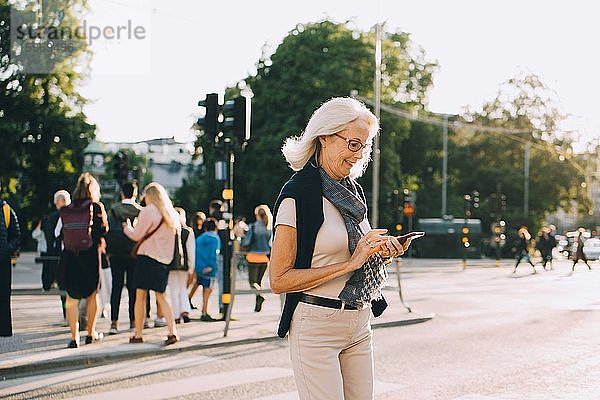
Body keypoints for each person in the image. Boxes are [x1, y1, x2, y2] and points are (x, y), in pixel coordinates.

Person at [269, 97, 411, 400]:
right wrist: (350, 264)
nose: (360, 155)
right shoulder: (297, 196)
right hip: (316, 325)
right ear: (324, 137)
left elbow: (354, 249)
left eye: (365, 147)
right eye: (353, 144)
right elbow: (279, 280)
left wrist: (378, 250)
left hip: (359, 321)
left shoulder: (352, 193)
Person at [124, 182, 179, 345]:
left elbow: (136, 235)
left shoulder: (148, 211)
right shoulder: (171, 214)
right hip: (163, 261)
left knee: (140, 296)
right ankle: (172, 331)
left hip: (147, 258)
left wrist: (127, 227)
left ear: (149, 196)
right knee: (162, 296)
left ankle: (139, 334)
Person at [58, 173, 108, 348]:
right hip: (90, 256)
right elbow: (103, 230)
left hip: (72, 255)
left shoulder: (68, 208)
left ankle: (73, 337)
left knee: (71, 299)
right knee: (92, 295)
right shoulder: (96, 206)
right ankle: (90, 333)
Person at [106, 182, 143, 335]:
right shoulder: (140, 211)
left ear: (122, 193)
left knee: (116, 287)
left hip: (116, 253)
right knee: (133, 288)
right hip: (134, 253)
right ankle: (133, 321)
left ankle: (114, 323)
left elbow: (107, 230)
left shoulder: (114, 209)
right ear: (135, 194)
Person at [241, 205, 273, 312]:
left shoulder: (253, 227)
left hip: (253, 257)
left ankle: (261, 295)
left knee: (252, 282)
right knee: (259, 282)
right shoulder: (270, 228)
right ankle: (257, 305)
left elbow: (246, 242)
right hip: (265, 258)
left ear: (257, 215)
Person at [0, 194, 21, 337]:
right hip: (4, 258)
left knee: (3, 295)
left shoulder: (6, 209)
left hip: (3, 261)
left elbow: (17, 235)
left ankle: (4, 329)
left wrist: (6, 249)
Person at [171, 207, 195, 323]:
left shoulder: (170, 229)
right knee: (182, 288)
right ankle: (185, 310)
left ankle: (175, 314)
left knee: (173, 289)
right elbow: (191, 251)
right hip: (184, 264)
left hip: (171, 264)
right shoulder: (188, 231)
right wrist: (191, 267)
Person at [195, 217, 221, 322]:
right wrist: (212, 266)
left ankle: (203, 310)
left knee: (202, 290)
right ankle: (205, 312)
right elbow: (215, 253)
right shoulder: (215, 238)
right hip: (210, 269)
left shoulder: (200, 238)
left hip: (200, 267)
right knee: (208, 291)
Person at [187, 210, 207, 310]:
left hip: (200, 258)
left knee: (198, 281)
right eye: (200, 219)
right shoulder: (193, 231)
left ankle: (188, 298)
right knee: (191, 280)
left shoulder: (203, 232)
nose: (201, 221)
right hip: (193, 258)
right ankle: (185, 298)